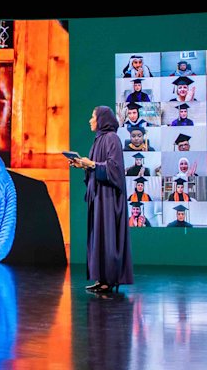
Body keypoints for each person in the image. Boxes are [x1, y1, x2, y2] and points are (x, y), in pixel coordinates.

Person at [70, 105, 132, 293]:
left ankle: (110, 279)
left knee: (108, 237)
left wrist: (93, 164)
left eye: (93, 117)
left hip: (109, 199)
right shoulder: (99, 140)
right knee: (99, 237)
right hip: (99, 197)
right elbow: (97, 167)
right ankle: (102, 278)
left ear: (102, 120)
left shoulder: (111, 138)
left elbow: (114, 169)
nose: (90, 120)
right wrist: (83, 165)